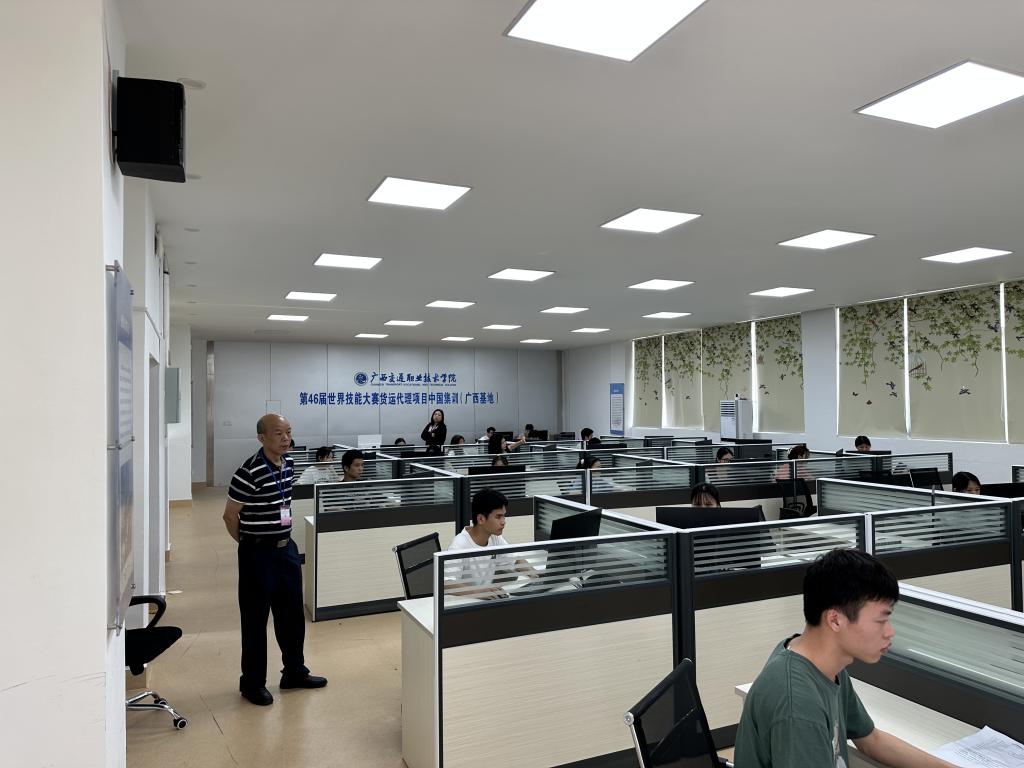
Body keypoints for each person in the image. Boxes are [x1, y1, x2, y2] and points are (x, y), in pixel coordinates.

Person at [734, 549, 957, 768]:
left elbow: (870, 740)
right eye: (881, 620)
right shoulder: (799, 706)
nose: (890, 632)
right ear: (835, 620)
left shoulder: (823, 662)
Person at [222, 414, 327, 706]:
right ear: (262, 438)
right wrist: (250, 543)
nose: (286, 438)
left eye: (288, 432)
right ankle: (252, 683)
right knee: (255, 620)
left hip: (286, 550)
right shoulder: (248, 471)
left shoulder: (289, 464)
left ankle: (294, 672)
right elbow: (230, 516)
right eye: (279, 433)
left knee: (292, 615)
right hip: (258, 553)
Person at [444, 489, 537, 598]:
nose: (503, 522)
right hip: (464, 603)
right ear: (481, 519)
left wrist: (536, 574)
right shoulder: (459, 545)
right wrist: (479, 592)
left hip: (485, 601)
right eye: (498, 517)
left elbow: (515, 560)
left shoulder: (494, 538)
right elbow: (447, 583)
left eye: (504, 516)